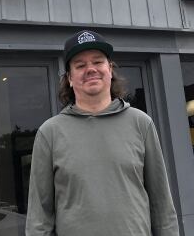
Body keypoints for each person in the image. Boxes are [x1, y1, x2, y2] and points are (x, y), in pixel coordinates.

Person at [26, 29, 180, 236]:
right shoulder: (50, 133)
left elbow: (162, 205)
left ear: (110, 69)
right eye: (80, 65)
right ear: (70, 78)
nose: (90, 69)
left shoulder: (141, 123)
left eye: (98, 62)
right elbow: (39, 217)